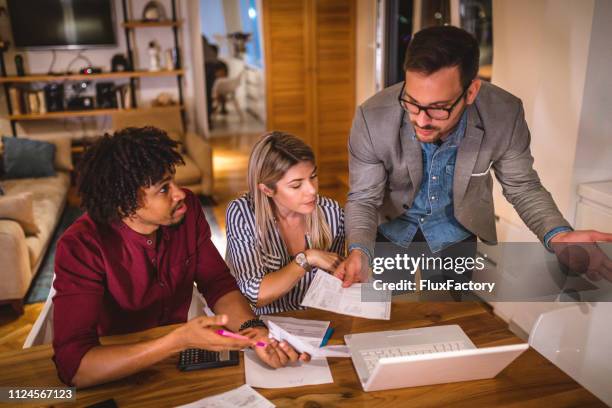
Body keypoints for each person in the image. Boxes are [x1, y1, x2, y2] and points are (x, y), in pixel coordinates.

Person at [335, 25, 612, 288]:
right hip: (390, 226)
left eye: (439, 108)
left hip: (456, 229)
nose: (420, 119)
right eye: (412, 102)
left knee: (448, 319)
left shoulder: (504, 113)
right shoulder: (372, 118)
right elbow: (364, 197)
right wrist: (359, 249)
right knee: (383, 317)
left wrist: (558, 235)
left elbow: (522, 186)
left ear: (471, 91)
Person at [52, 127, 309, 388]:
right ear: (124, 204)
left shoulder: (188, 212)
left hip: (173, 363)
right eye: (164, 189)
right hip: (117, 367)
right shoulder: (80, 246)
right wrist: (177, 340)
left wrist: (256, 334)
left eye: (173, 180)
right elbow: (75, 368)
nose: (180, 194)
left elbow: (217, 284)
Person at [226, 132, 345, 314]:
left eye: (313, 176)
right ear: (267, 189)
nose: (312, 190)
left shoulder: (332, 212)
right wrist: (307, 258)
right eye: (296, 185)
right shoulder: (242, 213)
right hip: (265, 326)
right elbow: (254, 294)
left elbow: (334, 284)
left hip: (320, 321)